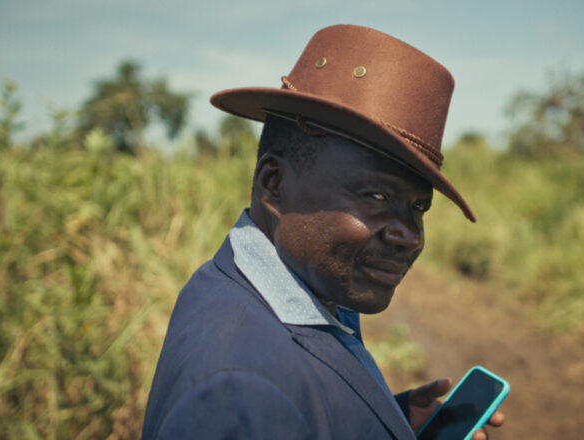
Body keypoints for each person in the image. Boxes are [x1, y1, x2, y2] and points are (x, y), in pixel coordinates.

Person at [141, 24, 504, 439]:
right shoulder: (241, 390)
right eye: (378, 196)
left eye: (419, 207)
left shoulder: (289, 291)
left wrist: (387, 422)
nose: (411, 236)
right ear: (274, 184)